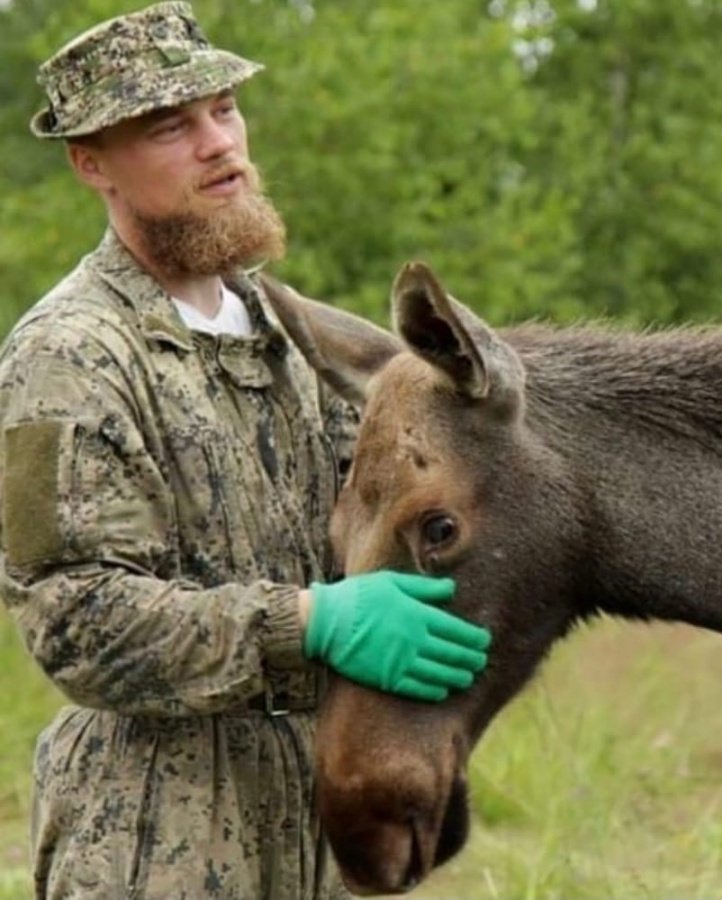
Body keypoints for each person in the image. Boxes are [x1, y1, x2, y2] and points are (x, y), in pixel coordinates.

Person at [0, 3, 491, 898]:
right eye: (170, 127)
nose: (219, 144)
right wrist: (312, 623)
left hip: (321, 828)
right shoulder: (68, 356)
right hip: (154, 843)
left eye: (223, 109)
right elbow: (76, 624)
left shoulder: (295, 333)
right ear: (91, 163)